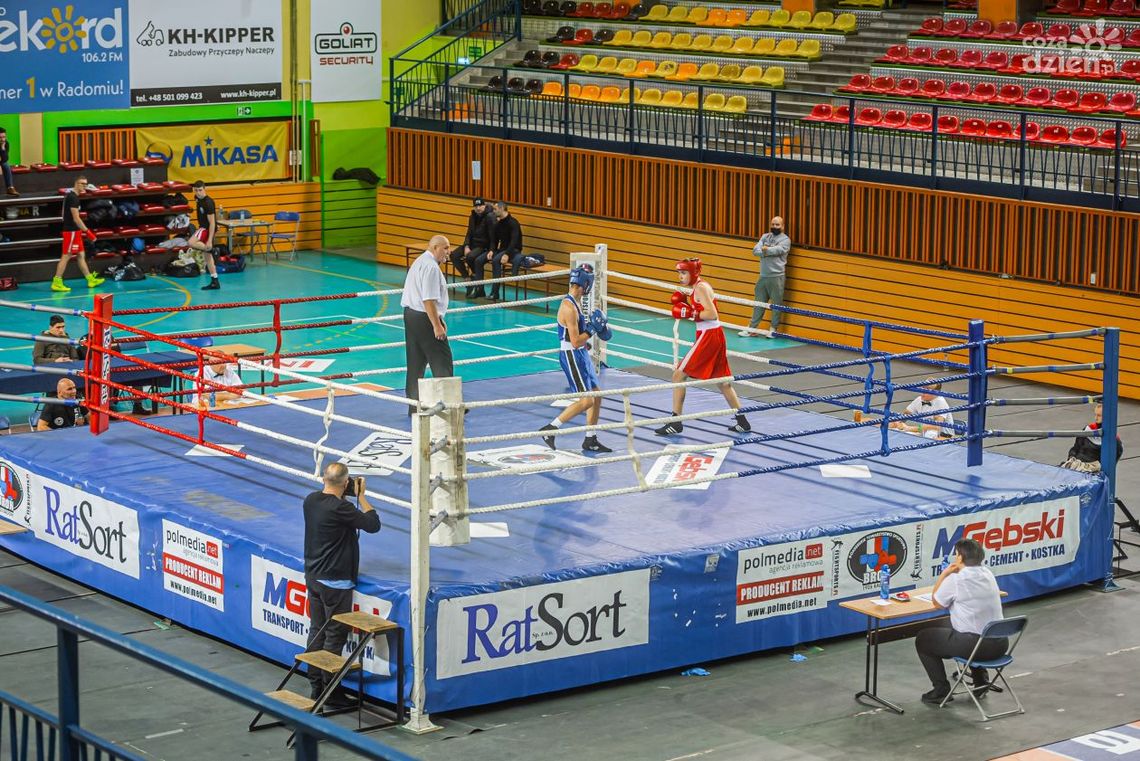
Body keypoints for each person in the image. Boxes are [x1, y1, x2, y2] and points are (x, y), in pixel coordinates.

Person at [302, 462, 380, 704]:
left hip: (314, 576)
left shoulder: (311, 500)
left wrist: (347, 492)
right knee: (335, 637)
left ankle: (316, 684)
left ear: (324, 479)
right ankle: (329, 691)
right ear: (346, 483)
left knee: (317, 631)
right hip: (336, 582)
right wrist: (362, 496)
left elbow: (332, 497)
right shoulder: (341, 508)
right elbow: (372, 524)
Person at [656, 258, 751, 436]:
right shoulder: (698, 287)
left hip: (709, 336)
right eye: (679, 273)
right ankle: (742, 421)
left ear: (693, 273)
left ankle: (675, 422)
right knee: (723, 382)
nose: (680, 276)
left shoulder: (700, 288)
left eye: (683, 273)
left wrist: (690, 312)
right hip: (712, 335)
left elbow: (712, 314)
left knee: (678, 375)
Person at [915, 538, 1007, 705]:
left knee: (923, 639)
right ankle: (981, 681)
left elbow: (937, 602)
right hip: (1000, 644)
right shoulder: (988, 573)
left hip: (975, 647)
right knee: (967, 627)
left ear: (959, 558)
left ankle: (941, 689)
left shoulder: (956, 579)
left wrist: (945, 574)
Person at [539, 264, 613, 453]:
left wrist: (587, 337)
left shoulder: (576, 302)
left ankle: (590, 438)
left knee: (596, 395)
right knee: (587, 400)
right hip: (571, 355)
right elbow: (574, 342)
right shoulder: (568, 307)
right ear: (585, 283)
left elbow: (579, 339)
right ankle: (550, 429)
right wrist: (591, 330)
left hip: (580, 354)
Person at [401, 235, 455, 413]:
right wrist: (437, 324)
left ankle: (415, 405)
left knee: (415, 361)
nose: (448, 252)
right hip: (424, 317)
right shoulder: (431, 267)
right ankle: (449, 404)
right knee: (442, 359)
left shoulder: (419, 261)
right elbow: (428, 300)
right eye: (445, 248)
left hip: (411, 315)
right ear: (435, 248)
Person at [51, 176, 105, 293]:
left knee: (81, 255)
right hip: (71, 232)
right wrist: (88, 232)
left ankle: (90, 279)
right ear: (76, 183)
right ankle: (57, 282)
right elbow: (76, 218)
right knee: (66, 256)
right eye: (82, 183)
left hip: (75, 232)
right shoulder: (73, 198)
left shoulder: (72, 196)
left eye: (85, 184)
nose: (84, 186)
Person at [740, 216, 790, 338]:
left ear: (783, 226)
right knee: (759, 303)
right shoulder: (764, 236)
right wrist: (766, 250)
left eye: (777, 225)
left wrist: (766, 250)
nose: (775, 227)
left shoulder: (786, 240)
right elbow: (755, 251)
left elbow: (777, 251)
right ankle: (752, 329)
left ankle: (773, 329)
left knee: (776, 304)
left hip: (777, 276)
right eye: (773, 224)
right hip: (763, 276)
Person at [1062, 402, 1122, 472]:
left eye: (1099, 415)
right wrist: (1071, 459)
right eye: (1095, 415)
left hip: (1091, 469)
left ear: (1107, 417)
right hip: (1076, 464)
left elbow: (1111, 464)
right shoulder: (1088, 429)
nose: (1096, 418)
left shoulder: (1114, 440)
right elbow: (1075, 448)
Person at [484, 201, 523, 301]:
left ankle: (495, 292)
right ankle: (485, 290)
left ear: (502, 209)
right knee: (483, 259)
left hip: (513, 249)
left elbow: (514, 241)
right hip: (503, 249)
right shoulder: (498, 224)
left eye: (495, 209)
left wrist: (506, 254)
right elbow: (494, 240)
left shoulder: (513, 223)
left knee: (496, 260)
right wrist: (492, 250)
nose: (493, 211)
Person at [189, 180, 221, 291]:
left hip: (206, 229)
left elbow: (212, 222)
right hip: (204, 228)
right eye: (196, 190)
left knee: (191, 242)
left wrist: (210, 241)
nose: (198, 192)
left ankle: (213, 250)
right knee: (208, 257)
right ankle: (215, 281)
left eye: (200, 190)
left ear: (205, 189)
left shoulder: (208, 203)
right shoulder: (197, 198)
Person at [455, 198, 492, 296]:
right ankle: (467, 278)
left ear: (484, 206)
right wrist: (466, 245)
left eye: (480, 206)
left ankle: (475, 276)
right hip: (471, 244)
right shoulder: (472, 216)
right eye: (476, 206)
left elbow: (492, 236)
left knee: (470, 257)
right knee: (454, 255)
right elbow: (469, 232)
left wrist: (491, 249)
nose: (478, 208)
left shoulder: (489, 217)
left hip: (482, 246)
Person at [0, 127, 16, 196]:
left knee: (6, 164)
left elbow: (5, 159)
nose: (2, 139)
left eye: (4, 137)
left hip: (1, 160)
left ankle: (10, 188)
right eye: (0, 137)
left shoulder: (6, 143)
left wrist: (2, 147)